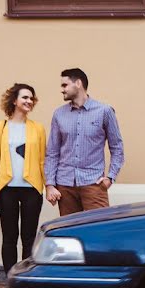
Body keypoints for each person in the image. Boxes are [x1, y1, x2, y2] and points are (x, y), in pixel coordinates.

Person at [44, 68, 124, 216]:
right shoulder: (59, 114)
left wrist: (110, 177)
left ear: (78, 83)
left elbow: (117, 147)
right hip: (65, 185)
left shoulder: (104, 111)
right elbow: (52, 152)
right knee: (70, 232)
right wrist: (49, 184)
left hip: (94, 184)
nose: (62, 90)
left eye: (65, 85)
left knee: (99, 229)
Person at [0, 83, 47, 275]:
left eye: (31, 98)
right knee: (10, 237)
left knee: (29, 237)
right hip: (7, 188)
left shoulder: (38, 128)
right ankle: (10, 279)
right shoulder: (0, 127)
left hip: (32, 189)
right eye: (25, 97)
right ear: (14, 100)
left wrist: (48, 185)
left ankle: (26, 277)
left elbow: (43, 160)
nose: (29, 101)